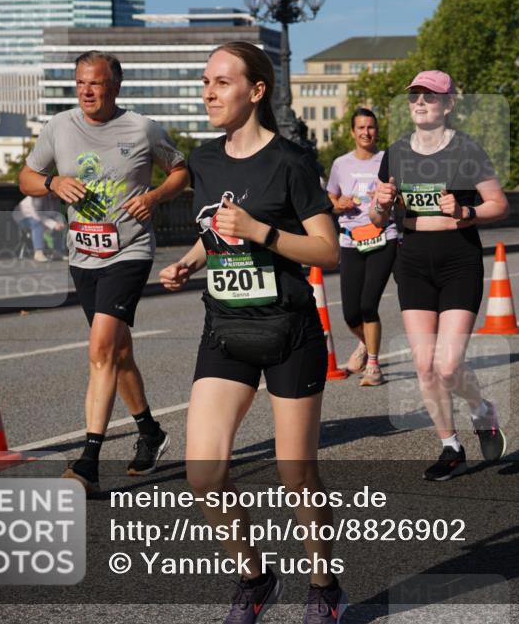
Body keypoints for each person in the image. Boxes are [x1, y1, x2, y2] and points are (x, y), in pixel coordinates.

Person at [158, 41, 347, 623]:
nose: (208, 92)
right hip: (226, 329)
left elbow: (328, 250)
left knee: (297, 476)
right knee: (203, 473)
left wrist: (262, 232)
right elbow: (216, 229)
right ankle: (256, 576)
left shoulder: (291, 161)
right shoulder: (204, 161)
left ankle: (323, 585)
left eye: (220, 81)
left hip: (290, 330)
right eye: (205, 81)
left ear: (256, 91)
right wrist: (191, 259)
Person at [19, 50, 188, 493]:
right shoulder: (59, 127)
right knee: (119, 352)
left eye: (94, 83)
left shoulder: (142, 127)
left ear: (115, 86)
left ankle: (89, 461)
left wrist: (154, 197)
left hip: (129, 251)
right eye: (79, 83)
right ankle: (150, 433)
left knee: (99, 350)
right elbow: (26, 178)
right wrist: (52, 183)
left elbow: (180, 172)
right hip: (83, 255)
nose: (86, 91)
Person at [370, 70, 510, 481]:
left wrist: (467, 212)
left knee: (448, 366)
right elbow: (378, 219)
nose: (420, 103)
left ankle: (482, 410)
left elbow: (498, 205)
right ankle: (450, 445)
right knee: (424, 365)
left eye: (430, 97)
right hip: (412, 260)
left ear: (448, 105)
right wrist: (379, 205)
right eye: (415, 96)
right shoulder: (395, 153)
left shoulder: (467, 150)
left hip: (458, 259)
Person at [326, 108, 396, 386]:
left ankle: (374, 366)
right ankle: (366, 344)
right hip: (351, 241)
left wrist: (387, 199)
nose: (366, 133)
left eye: (371, 127)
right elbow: (330, 197)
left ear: (376, 131)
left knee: (369, 305)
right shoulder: (340, 164)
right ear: (353, 132)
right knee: (350, 313)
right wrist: (337, 204)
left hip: (383, 237)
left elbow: (401, 197)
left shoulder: (387, 160)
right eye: (361, 128)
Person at [12, 193, 67, 261]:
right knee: (38, 223)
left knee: (59, 227)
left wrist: (60, 222)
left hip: (39, 216)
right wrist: (53, 224)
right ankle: (38, 253)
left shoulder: (57, 197)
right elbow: (37, 215)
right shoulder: (39, 195)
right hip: (23, 217)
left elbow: (56, 213)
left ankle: (57, 253)